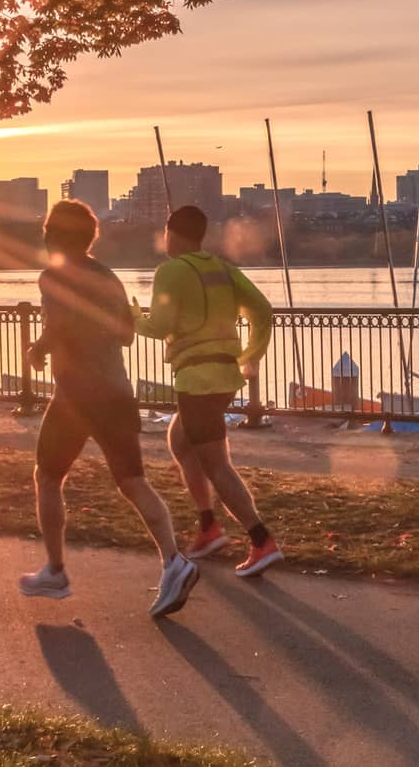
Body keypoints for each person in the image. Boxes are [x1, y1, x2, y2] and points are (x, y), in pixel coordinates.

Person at [19, 200, 198, 617]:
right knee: (132, 480)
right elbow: (125, 336)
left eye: (47, 232)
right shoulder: (110, 278)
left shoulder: (52, 277)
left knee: (46, 476)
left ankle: (56, 571)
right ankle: (175, 562)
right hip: (118, 392)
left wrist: (40, 349)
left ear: (52, 237)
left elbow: (61, 321)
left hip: (77, 396)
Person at [133, 205, 283, 577]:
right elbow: (262, 311)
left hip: (197, 380)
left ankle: (261, 539)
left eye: (165, 232)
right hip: (224, 377)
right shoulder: (222, 268)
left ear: (170, 233)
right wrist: (251, 355)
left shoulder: (170, 271)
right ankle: (208, 528)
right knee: (180, 441)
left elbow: (159, 325)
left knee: (216, 464)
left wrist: (132, 317)